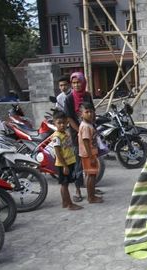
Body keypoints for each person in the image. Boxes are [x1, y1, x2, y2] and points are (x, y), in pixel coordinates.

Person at [64, 72, 93, 202]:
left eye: (78, 82)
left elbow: (92, 111)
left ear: (83, 82)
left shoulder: (87, 95)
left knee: (90, 161)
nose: (76, 85)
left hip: (89, 133)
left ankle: (90, 188)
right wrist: (80, 131)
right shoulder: (69, 98)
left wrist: (93, 128)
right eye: (74, 83)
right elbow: (69, 118)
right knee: (78, 164)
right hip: (76, 135)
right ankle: (77, 190)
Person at [50, 111, 83, 211]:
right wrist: (64, 166)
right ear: (54, 123)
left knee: (65, 184)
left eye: (64, 122)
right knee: (64, 185)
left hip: (69, 162)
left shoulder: (65, 133)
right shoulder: (56, 137)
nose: (62, 125)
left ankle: (65, 202)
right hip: (63, 164)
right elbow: (58, 153)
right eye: (59, 123)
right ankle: (69, 204)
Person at [78, 102, 103, 204]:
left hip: (89, 154)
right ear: (81, 114)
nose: (89, 114)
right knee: (91, 175)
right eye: (86, 112)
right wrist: (91, 156)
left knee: (90, 175)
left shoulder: (88, 125)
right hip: (88, 154)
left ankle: (91, 195)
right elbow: (86, 141)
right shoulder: (86, 127)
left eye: (91, 112)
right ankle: (91, 197)